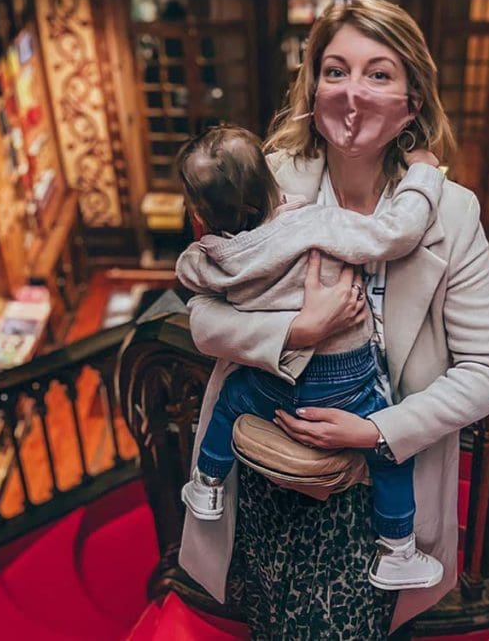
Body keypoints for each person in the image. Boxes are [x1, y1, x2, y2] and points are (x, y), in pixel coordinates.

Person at [178, 0, 489, 639]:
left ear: (412, 103)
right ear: (312, 86)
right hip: (268, 470)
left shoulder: (451, 214)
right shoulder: (262, 181)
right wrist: (295, 333)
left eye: (378, 74)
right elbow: (202, 314)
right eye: (335, 71)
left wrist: (376, 431)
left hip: (378, 492)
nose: (352, 93)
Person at [174, 123, 445, 590]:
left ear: (200, 217)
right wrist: (423, 175)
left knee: (231, 398)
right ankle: (397, 550)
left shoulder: (210, 257)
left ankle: (207, 484)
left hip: (271, 383)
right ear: (272, 184)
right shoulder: (318, 222)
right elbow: (396, 233)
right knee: (388, 453)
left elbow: (190, 275)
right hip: (345, 377)